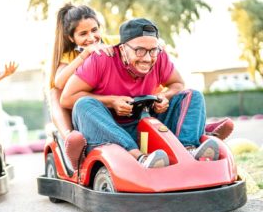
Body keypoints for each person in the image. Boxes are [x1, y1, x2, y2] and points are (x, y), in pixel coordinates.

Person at [61, 18, 222, 168]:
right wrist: (111, 101)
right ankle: (139, 158)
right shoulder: (100, 59)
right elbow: (67, 98)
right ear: (123, 49)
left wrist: (164, 96)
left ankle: (188, 150)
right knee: (84, 104)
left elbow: (178, 84)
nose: (147, 58)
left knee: (193, 95)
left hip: (144, 122)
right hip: (109, 130)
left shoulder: (159, 57)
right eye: (139, 50)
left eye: (153, 50)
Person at [48, 3, 116, 170]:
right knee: (54, 92)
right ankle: (70, 139)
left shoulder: (112, 43)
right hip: (83, 109)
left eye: (94, 30)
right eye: (83, 34)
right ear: (72, 38)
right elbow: (59, 82)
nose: (91, 38)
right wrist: (85, 54)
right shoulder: (70, 55)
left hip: (111, 103)